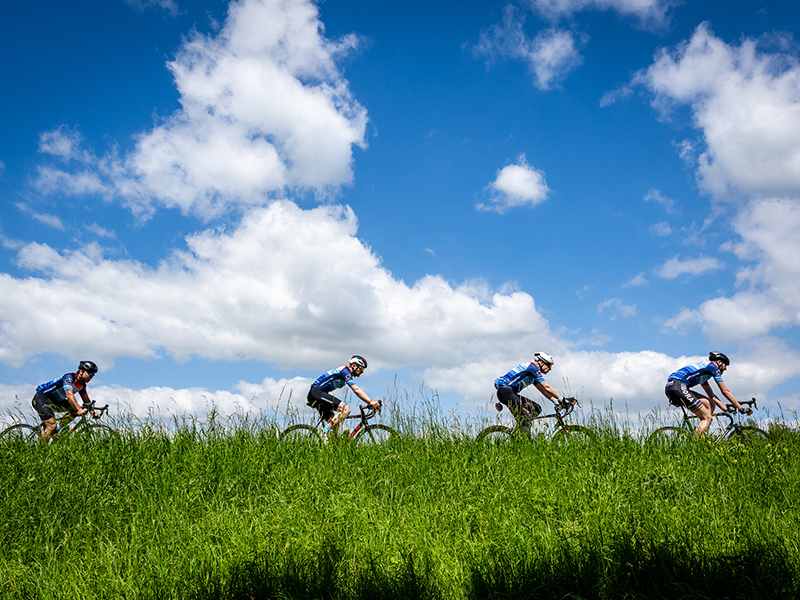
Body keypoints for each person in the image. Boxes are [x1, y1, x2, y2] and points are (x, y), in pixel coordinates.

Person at [664, 351, 749, 436]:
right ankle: (694, 444)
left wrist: (726, 409)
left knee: (708, 403)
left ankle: (703, 435)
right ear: (719, 362)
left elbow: (712, 396)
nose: (725, 368)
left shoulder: (704, 373)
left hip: (673, 386)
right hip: (678, 386)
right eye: (725, 365)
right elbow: (725, 391)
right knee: (707, 417)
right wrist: (740, 407)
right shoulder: (713, 367)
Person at [307, 355, 380, 429]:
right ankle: (325, 432)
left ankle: (330, 439)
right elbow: (356, 389)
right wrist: (370, 401)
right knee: (345, 409)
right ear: (354, 366)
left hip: (318, 394)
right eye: (361, 369)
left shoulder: (345, 373)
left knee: (334, 423)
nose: (362, 372)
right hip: (316, 392)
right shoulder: (345, 371)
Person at [32, 361, 99, 441]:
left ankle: (58, 429)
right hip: (41, 398)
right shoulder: (69, 377)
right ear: (81, 371)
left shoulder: (82, 385)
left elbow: (86, 401)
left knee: (74, 410)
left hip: (55, 401)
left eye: (93, 375)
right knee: (51, 425)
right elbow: (69, 396)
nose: (91, 377)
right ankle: (41, 449)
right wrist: (79, 409)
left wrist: (92, 412)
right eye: (90, 374)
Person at [494, 352, 564, 427]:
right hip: (506, 392)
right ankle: (522, 432)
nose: (550, 369)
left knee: (536, 409)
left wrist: (556, 402)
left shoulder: (533, 374)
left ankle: (519, 432)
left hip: (507, 393)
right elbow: (547, 387)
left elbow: (544, 390)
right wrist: (562, 399)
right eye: (548, 365)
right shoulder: (533, 368)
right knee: (525, 420)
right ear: (541, 362)